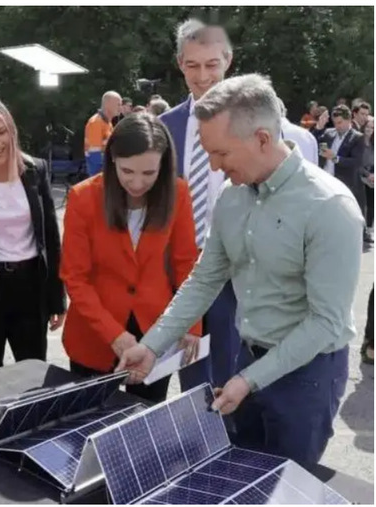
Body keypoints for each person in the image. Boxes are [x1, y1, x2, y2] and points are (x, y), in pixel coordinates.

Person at [118, 74, 364, 471]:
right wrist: (151, 346)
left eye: (221, 153)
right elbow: (204, 279)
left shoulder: (329, 207)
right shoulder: (231, 197)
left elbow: (325, 322)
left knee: (288, 485)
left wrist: (249, 380)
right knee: (240, 476)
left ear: (262, 139)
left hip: (307, 377)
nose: (214, 166)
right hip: (246, 361)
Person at [60, 113, 202, 402]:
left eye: (149, 173)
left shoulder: (178, 193)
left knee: (145, 415)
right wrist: (114, 334)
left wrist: (191, 324)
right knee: (91, 417)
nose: (137, 183)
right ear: (112, 159)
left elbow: (186, 264)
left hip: (155, 330)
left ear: (164, 165)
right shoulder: (83, 197)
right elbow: (75, 278)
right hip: (95, 332)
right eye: (127, 171)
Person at [158, 18, 240, 391]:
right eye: (192, 65)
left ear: (228, 60)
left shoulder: (253, 125)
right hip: (179, 274)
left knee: (232, 378)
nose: (203, 76)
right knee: (190, 378)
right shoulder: (164, 127)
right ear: (180, 64)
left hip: (235, 276)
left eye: (211, 64)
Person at [0, 95, 66, 370]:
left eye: (0, 132)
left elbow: (51, 238)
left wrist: (57, 298)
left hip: (31, 287)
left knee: (32, 372)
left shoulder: (35, 170)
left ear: (12, 130)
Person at [312, 105, 367, 246]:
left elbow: (356, 162)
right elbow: (312, 141)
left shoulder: (357, 138)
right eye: (335, 123)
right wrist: (318, 127)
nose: (337, 126)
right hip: (325, 180)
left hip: (344, 183)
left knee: (342, 215)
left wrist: (335, 158)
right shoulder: (329, 133)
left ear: (349, 120)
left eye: (340, 122)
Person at [84, 90, 121, 176]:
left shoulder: (107, 123)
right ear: (108, 104)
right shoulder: (96, 122)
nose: (120, 107)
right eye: (118, 104)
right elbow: (94, 154)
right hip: (99, 173)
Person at [278, 98, 318, 165]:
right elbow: (303, 123)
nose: (316, 109)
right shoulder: (306, 117)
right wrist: (314, 122)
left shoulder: (316, 118)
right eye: (314, 107)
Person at [361, 116, 374, 244]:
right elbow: (357, 163)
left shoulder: (373, 144)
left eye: (372, 128)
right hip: (360, 175)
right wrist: (367, 174)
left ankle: (369, 231)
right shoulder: (358, 142)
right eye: (368, 127)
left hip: (372, 176)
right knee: (362, 204)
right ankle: (361, 230)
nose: (370, 130)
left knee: (371, 204)